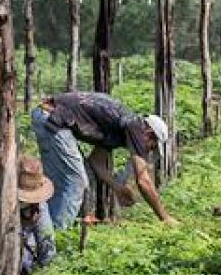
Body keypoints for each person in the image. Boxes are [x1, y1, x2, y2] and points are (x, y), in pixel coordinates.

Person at [31, 91, 175, 228]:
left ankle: (39, 227)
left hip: (49, 117)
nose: (149, 150)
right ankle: (57, 237)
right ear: (149, 134)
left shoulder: (120, 129)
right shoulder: (135, 127)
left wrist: (118, 188)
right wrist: (165, 218)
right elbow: (143, 181)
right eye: (153, 146)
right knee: (76, 180)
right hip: (51, 117)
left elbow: (96, 162)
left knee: (67, 181)